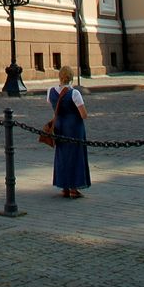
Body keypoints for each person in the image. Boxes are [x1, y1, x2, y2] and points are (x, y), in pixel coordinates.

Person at [47, 64, 91, 198]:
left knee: (62, 156)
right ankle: (74, 187)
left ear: (59, 77)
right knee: (76, 156)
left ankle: (64, 186)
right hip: (74, 128)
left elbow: (53, 106)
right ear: (71, 78)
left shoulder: (51, 91)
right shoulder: (74, 93)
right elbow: (83, 114)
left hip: (60, 126)